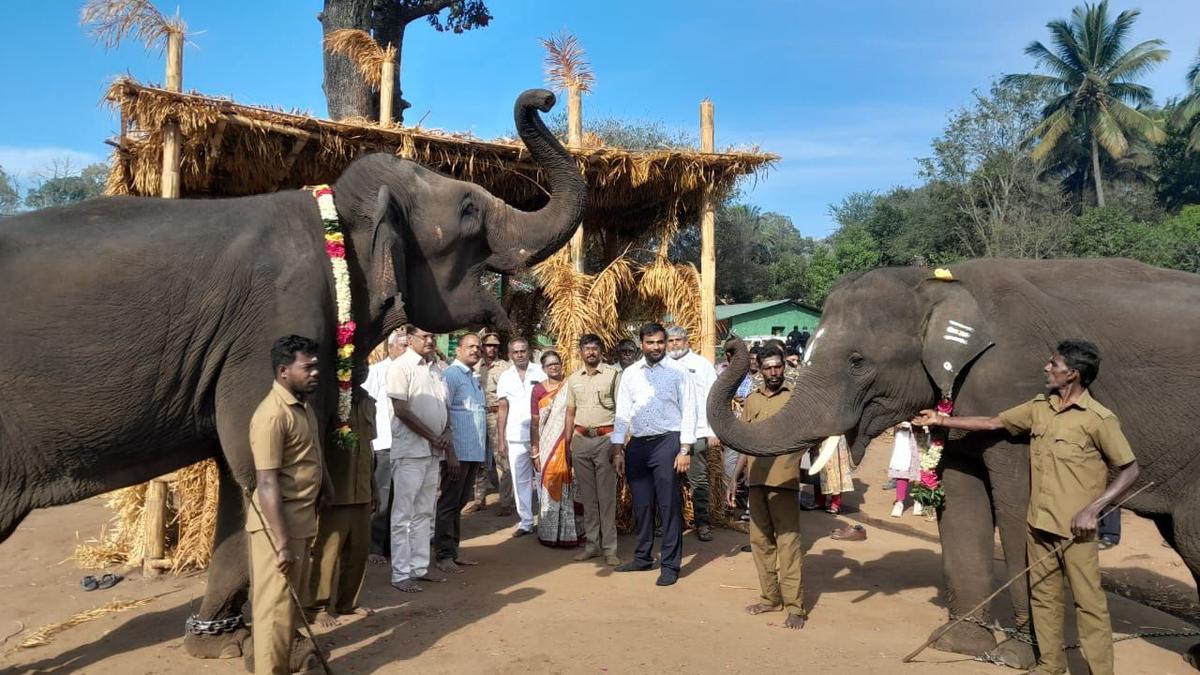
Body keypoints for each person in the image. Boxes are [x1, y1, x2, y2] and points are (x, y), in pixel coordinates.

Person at [913, 340, 1139, 675]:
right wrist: (942, 421)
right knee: (1044, 599)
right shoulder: (1039, 408)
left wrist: (1095, 509)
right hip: (1039, 524)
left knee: (1088, 605)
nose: (1047, 368)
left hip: (1076, 532)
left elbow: (1130, 469)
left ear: (1073, 374)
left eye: (1054, 364)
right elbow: (992, 422)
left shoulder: (1098, 420)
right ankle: (1050, 665)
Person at [246, 335, 330, 675]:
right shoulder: (271, 415)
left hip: (300, 521)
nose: (315, 372)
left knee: (288, 611)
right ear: (284, 371)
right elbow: (266, 483)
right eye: (306, 367)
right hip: (276, 529)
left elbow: (310, 454)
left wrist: (327, 484)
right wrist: (281, 543)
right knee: (274, 612)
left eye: (315, 365)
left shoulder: (302, 406)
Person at [611, 323, 696, 587]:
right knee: (642, 504)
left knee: (668, 504)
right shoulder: (631, 374)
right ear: (641, 344)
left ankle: (670, 564)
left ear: (667, 342)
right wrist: (617, 448)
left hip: (667, 442)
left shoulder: (679, 372)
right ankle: (643, 557)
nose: (657, 347)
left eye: (661, 342)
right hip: (637, 444)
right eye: (651, 342)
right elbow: (623, 412)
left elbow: (690, 411)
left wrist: (685, 449)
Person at [727, 346, 805, 630]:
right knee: (760, 543)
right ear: (758, 369)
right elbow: (745, 444)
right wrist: (735, 477)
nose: (774, 372)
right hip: (756, 479)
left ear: (784, 366)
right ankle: (770, 597)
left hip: (784, 481)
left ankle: (795, 607)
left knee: (788, 544)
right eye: (768, 367)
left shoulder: (795, 397)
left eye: (778, 366)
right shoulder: (752, 400)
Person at [386, 326, 451, 593]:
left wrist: (445, 432)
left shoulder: (435, 369)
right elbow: (401, 410)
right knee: (403, 514)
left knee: (425, 511)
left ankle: (419, 567)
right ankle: (401, 573)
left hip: (433, 452)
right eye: (424, 336)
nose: (429, 340)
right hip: (411, 451)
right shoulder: (401, 367)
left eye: (432, 336)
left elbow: (444, 407)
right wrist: (431, 436)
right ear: (409, 339)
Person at [306, 388, 376, 628]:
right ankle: (317, 606)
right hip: (336, 489)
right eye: (356, 365)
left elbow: (369, 447)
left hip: (362, 488)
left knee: (358, 550)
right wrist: (321, 486)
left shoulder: (368, 401)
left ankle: (348, 603)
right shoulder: (329, 400)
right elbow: (317, 447)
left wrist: (373, 484)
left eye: (365, 366)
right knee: (328, 552)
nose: (362, 370)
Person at [564, 334, 622, 565]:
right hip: (580, 440)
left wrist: (619, 446)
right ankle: (592, 545)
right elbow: (570, 413)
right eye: (586, 348)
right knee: (588, 498)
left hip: (605, 440)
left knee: (606, 498)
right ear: (580, 352)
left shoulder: (612, 375)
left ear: (600, 351)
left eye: (594, 348)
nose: (590, 352)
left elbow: (622, 411)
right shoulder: (573, 379)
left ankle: (610, 549)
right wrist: (568, 444)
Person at [435, 333, 486, 575]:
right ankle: (443, 555)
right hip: (457, 453)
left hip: (472, 452)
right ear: (458, 350)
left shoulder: (473, 377)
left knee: (460, 503)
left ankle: (453, 552)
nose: (476, 350)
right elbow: (444, 414)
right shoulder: (452, 376)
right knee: (448, 503)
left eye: (478, 346)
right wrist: (450, 453)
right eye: (470, 346)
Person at [667, 325, 721, 543]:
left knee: (698, 480)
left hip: (696, 433)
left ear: (687, 342)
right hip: (670, 433)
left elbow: (713, 399)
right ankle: (672, 524)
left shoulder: (701, 365)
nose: (674, 344)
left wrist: (712, 431)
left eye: (678, 340)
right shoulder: (662, 365)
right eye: (669, 341)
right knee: (669, 481)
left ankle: (703, 524)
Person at [529, 350, 580, 547]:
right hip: (547, 444)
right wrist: (535, 450)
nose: (554, 367)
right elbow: (535, 423)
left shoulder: (570, 384)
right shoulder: (539, 391)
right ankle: (548, 534)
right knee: (551, 482)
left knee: (573, 485)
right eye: (549, 365)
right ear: (543, 368)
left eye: (556, 363)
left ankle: (570, 534)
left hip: (569, 441)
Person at [363, 332, 405, 566]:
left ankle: (391, 546)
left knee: (400, 498)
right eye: (402, 345)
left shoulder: (409, 370)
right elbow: (367, 404)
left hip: (405, 444)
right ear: (390, 348)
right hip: (384, 443)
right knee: (383, 497)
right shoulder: (378, 371)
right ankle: (375, 547)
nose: (405, 349)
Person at [495, 337, 544, 537]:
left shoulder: (540, 372)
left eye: (523, 351)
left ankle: (546, 519)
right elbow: (502, 409)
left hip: (539, 435)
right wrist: (500, 440)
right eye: (515, 352)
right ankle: (525, 522)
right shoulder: (506, 377)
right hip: (515, 435)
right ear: (510, 355)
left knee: (542, 479)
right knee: (520, 480)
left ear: (528, 351)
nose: (520, 355)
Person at [469, 331, 513, 517]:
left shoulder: (505, 367)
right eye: (488, 345)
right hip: (479, 415)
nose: (492, 349)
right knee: (479, 459)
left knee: (501, 458)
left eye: (495, 345)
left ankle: (505, 502)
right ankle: (479, 500)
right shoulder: (474, 367)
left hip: (497, 415)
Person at [888, 422, 924, 518]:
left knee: (921, 469)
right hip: (904, 435)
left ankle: (918, 500)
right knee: (902, 470)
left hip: (922, 433)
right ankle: (899, 502)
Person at [814, 435, 853, 514]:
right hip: (819, 436)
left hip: (835, 437)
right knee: (818, 470)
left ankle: (835, 504)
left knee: (836, 469)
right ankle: (819, 502)